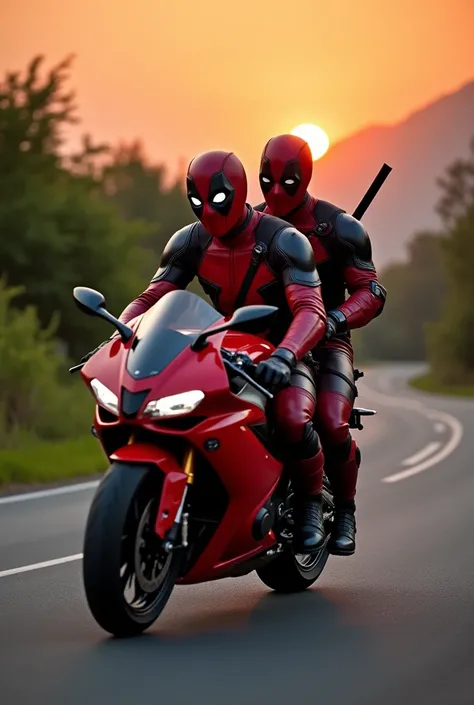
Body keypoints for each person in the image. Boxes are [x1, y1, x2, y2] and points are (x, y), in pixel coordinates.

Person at [82, 150, 329, 554]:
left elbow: (310, 310)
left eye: (216, 200)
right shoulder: (189, 240)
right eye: (197, 202)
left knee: (289, 417)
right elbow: (152, 298)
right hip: (222, 346)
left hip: (289, 351)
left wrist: (285, 356)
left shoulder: (284, 241)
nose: (207, 211)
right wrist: (122, 336)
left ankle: (309, 505)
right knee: (170, 407)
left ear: (238, 191)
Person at [255, 134, 387, 556]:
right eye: (267, 181)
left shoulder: (339, 228)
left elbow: (372, 292)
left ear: (305, 177)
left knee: (330, 422)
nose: (276, 192)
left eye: (287, 182)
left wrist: (334, 319)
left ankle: (341, 509)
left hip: (328, 342)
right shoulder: (251, 224)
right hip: (264, 340)